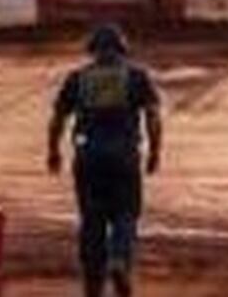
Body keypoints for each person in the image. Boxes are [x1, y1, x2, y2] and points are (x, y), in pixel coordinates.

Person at [47, 21, 163, 297]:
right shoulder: (136, 77)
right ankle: (119, 259)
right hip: (124, 156)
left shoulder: (77, 78)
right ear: (122, 50)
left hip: (88, 157)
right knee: (126, 213)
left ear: (92, 51)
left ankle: (92, 285)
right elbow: (153, 117)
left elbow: (58, 119)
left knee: (91, 220)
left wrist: (53, 151)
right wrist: (155, 151)